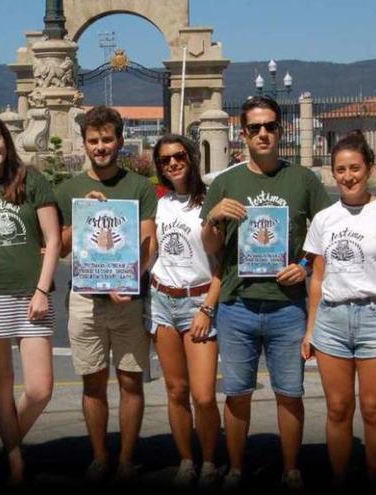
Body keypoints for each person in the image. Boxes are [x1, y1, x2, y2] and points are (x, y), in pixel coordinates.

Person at [200, 96, 333, 491]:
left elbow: (324, 235)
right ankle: (237, 468)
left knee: (289, 393)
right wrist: (213, 216)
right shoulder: (226, 182)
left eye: (270, 126)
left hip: (287, 307)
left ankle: (291, 469)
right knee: (237, 394)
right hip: (237, 305)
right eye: (255, 127)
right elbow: (210, 246)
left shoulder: (304, 180)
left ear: (281, 130)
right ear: (242, 134)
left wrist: (305, 266)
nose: (263, 133)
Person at [301, 130, 376, 487]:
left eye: (355, 168)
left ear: (369, 168)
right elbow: (318, 278)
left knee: (373, 410)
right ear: (332, 173)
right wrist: (311, 330)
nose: (348, 176)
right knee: (338, 410)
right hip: (332, 321)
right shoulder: (325, 219)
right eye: (340, 169)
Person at [55, 105, 158, 483]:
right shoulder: (67, 189)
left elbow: (151, 245)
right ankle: (100, 456)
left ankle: (127, 458)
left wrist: (131, 280)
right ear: (84, 143)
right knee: (92, 381)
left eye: (107, 139)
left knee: (130, 380)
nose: (101, 147)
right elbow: (60, 247)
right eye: (94, 141)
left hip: (128, 298)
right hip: (85, 301)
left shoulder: (140, 187)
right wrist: (83, 217)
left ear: (119, 140)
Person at [0, 113, 61, 486]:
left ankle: (8, 443)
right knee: (0, 382)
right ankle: (15, 459)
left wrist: (41, 289)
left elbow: (52, 240)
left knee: (40, 389)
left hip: (30, 296)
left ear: (6, 139)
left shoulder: (31, 179)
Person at [148, 134, 222, 490]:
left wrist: (208, 307)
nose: (173, 163)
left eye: (179, 156)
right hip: (162, 300)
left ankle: (209, 460)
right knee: (176, 390)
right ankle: (187, 460)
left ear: (192, 158)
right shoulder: (157, 204)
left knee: (203, 394)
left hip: (199, 301)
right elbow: (144, 247)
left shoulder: (210, 201)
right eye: (165, 160)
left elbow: (224, 263)